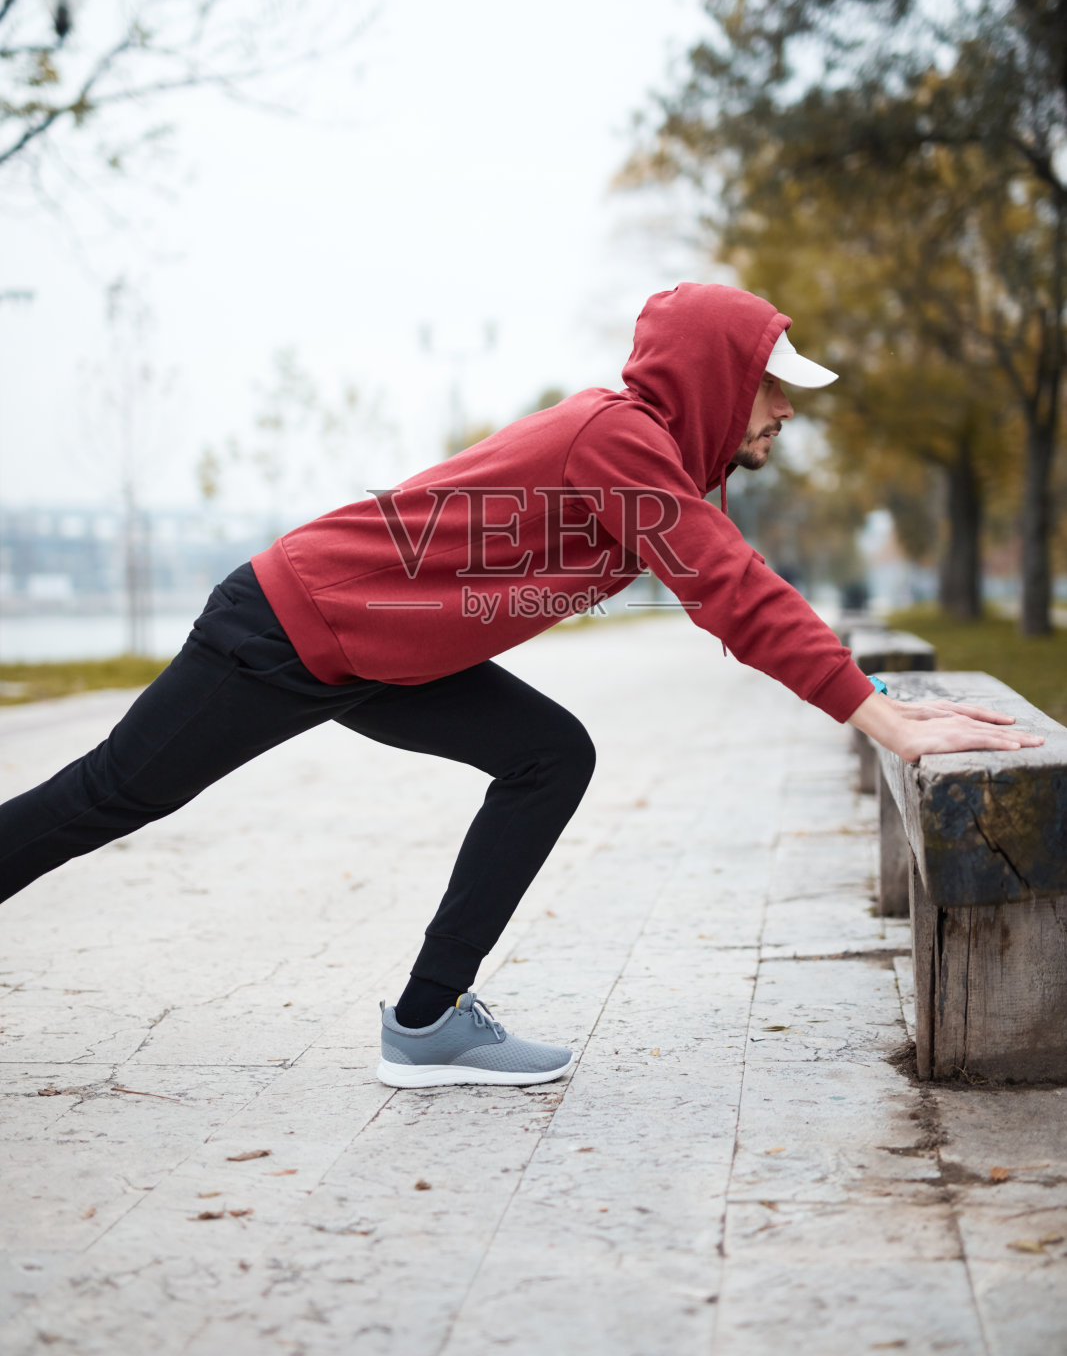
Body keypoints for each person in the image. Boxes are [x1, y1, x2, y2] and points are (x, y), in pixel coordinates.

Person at [0, 283, 1041, 1089]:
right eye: (772, 389)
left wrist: (868, 698)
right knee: (112, 795)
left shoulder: (646, 461)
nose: (781, 414)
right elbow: (732, 591)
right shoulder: (615, 436)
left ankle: (424, 1021)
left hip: (376, 654)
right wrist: (881, 717)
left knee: (549, 753)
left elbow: (725, 584)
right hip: (283, 624)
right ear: (720, 380)